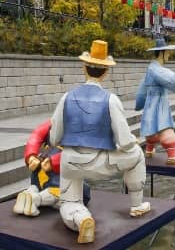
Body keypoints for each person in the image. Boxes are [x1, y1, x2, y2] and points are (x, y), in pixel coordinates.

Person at [50, 40, 150, 244]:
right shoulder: (111, 99)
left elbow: (54, 138)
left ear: (84, 68)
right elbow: (124, 142)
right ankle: (137, 204)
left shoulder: (67, 97)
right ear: (105, 72)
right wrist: (133, 141)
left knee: (69, 201)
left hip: (69, 162)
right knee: (137, 155)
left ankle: (81, 218)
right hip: (100, 163)